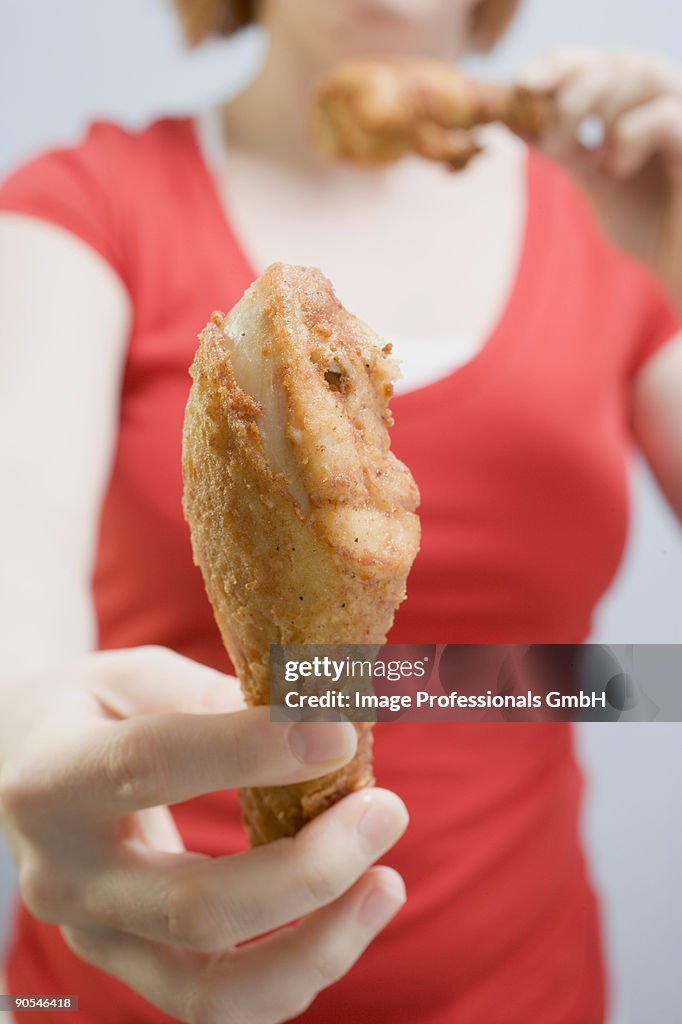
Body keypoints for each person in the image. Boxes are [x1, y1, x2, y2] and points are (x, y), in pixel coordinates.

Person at [0, 0, 681, 1021]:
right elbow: (21, 557)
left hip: (521, 988)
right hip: (130, 982)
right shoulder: (84, 208)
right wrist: (26, 723)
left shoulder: (622, 220)